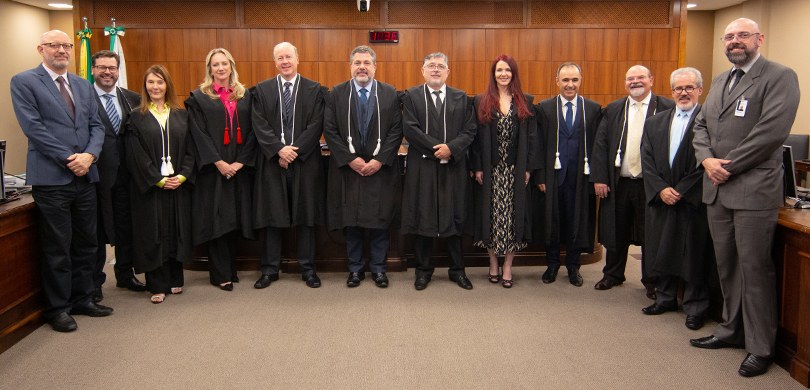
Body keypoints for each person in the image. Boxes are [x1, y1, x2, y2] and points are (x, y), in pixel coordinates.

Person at [690, 18, 800, 378]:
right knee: (728, 267)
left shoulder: (779, 76)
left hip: (753, 191)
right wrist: (706, 159)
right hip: (718, 190)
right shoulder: (721, 80)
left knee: (755, 270)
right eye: (730, 36)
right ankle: (730, 329)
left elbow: (770, 133)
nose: (735, 41)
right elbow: (701, 126)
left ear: (759, 39)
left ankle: (760, 347)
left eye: (743, 35)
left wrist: (728, 166)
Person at [11, 30, 113, 332]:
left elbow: (97, 126)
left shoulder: (83, 85)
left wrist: (90, 156)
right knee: (58, 246)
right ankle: (58, 307)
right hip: (53, 178)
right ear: (41, 48)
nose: (63, 50)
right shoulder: (24, 81)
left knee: (87, 243)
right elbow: (34, 128)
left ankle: (83, 298)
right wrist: (72, 159)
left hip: (86, 176)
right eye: (55, 45)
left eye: (67, 46)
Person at [591, 65, 674, 298]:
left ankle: (651, 280)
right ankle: (613, 274)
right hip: (620, 182)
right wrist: (600, 178)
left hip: (652, 185)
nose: (635, 82)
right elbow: (600, 144)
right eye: (630, 78)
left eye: (640, 77)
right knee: (616, 229)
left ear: (651, 80)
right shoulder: (615, 109)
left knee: (650, 233)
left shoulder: (666, 107)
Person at [323, 46, 402, 288]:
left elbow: (396, 130)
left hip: (380, 169)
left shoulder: (389, 93)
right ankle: (355, 269)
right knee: (352, 221)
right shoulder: (336, 94)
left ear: (375, 67)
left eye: (367, 62)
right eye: (357, 62)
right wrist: (350, 159)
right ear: (350, 66)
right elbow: (330, 130)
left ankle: (379, 269)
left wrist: (379, 160)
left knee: (379, 221)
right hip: (349, 170)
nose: (362, 67)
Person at [640, 67, 712, 331]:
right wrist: (660, 189)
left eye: (689, 87)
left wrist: (681, 190)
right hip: (662, 197)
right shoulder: (655, 122)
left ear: (699, 90)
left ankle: (695, 307)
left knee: (693, 253)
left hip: (692, 199)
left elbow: (707, 162)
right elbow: (646, 160)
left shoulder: (709, 121)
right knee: (663, 248)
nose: (683, 93)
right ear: (671, 92)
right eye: (678, 88)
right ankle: (665, 298)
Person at [401, 52, 477, 290]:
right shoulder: (411, 96)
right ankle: (423, 271)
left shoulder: (461, 97)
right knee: (423, 217)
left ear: (448, 71)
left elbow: (470, 130)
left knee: (455, 217)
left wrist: (451, 149)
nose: (435, 70)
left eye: (440, 66)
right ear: (422, 71)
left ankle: (458, 270)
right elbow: (410, 129)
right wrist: (438, 149)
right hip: (422, 167)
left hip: (453, 167)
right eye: (431, 66)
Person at [252, 42, 325, 289]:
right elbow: (259, 125)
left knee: (306, 217)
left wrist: (293, 152)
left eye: (288, 57)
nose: (285, 61)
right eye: (280, 58)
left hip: (305, 162)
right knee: (272, 217)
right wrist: (278, 150)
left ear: (297, 59)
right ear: (275, 62)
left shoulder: (315, 90)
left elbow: (316, 125)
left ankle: (308, 268)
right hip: (273, 162)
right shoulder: (261, 91)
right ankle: (270, 269)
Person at [186, 48, 256, 292]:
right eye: (215, 65)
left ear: (231, 66)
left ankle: (231, 269)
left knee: (234, 220)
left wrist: (239, 163)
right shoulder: (199, 98)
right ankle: (220, 274)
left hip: (239, 168)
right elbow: (198, 134)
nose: (220, 68)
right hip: (213, 170)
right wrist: (219, 163)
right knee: (217, 222)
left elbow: (253, 132)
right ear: (209, 69)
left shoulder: (245, 95)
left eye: (224, 63)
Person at [126, 65, 195, 304]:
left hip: (178, 183)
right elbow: (135, 154)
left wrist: (184, 175)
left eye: (160, 82)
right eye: (151, 83)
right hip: (151, 187)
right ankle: (156, 284)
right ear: (145, 87)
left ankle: (175, 280)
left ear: (168, 85)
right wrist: (157, 179)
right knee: (153, 233)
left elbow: (190, 149)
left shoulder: (181, 114)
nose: (155, 87)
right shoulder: (136, 116)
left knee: (175, 230)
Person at [471, 54, 537, 288]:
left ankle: (508, 265)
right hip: (490, 173)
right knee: (490, 217)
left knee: (512, 219)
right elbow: (476, 139)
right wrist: (477, 166)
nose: (503, 74)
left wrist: (528, 168)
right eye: (499, 70)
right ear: (493, 74)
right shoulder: (481, 100)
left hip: (514, 172)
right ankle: (492, 263)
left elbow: (532, 138)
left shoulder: (525, 101)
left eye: (507, 70)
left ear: (513, 73)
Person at [534, 62, 602, 287]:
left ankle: (573, 266)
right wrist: (540, 176)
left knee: (577, 221)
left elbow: (598, 147)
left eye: (574, 80)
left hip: (580, 178)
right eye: (565, 80)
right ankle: (552, 264)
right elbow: (538, 145)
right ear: (557, 82)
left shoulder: (592, 109)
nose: (570, 85)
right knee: (552, 221)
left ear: (580, 81)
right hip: (553, 178)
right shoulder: (544, 108)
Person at [89, 50, 145, 303]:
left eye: (112, 68)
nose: (107, 72)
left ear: (118, 69)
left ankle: (125, 273)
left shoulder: (132, 98)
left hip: (127, 177)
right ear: (93, 70)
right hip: (96, 177)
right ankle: (94, 282)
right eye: (102, 67)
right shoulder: (83, 98)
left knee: (126, 227)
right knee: (97, 232)